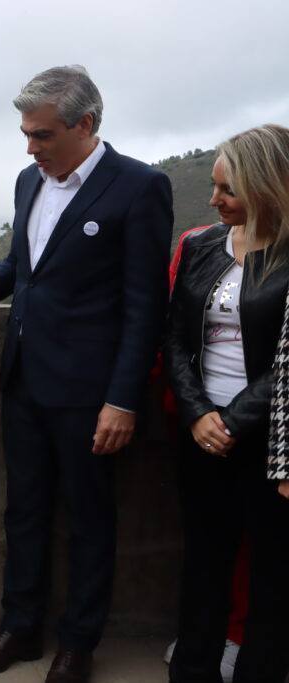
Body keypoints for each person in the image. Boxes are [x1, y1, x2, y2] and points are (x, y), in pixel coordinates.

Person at [0, 65, 173, 682]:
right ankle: (19, 628)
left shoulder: (139, 187)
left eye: (42, 135)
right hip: (24, 381)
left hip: (91, 393)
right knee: (25, 510)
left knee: (89, 517)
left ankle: (78, 643)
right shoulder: (28, 181)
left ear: (84, 124)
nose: (30, 148)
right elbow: (22, 267)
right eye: (26, 134)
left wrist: (123, 399)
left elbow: (146, 306)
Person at [166, 124, 289, 683]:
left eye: (227, 190)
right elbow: (174, 337)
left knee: (272, 571)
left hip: (269, 438)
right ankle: (193, 670)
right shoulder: (200, 246)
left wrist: (234, 421)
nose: (213, 199)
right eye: (214, 186)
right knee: (203, 563)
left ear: (266, 188)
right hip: (201, 431)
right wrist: (197, 413)